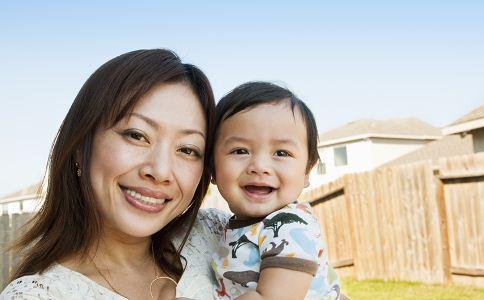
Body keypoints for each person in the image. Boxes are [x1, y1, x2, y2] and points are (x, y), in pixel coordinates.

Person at [0, 49, 230, 299]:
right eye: (137, 135)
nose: (161, 171)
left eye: (187, 149)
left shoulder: (219, 237)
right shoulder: (40, 295)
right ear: (79, 146)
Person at [210, 82, 341, 299]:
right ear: (212, 168)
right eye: (240, 150)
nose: (260, 166)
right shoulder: (240, 227)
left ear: (307, 171)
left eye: (281, 153)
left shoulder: (288, 226)